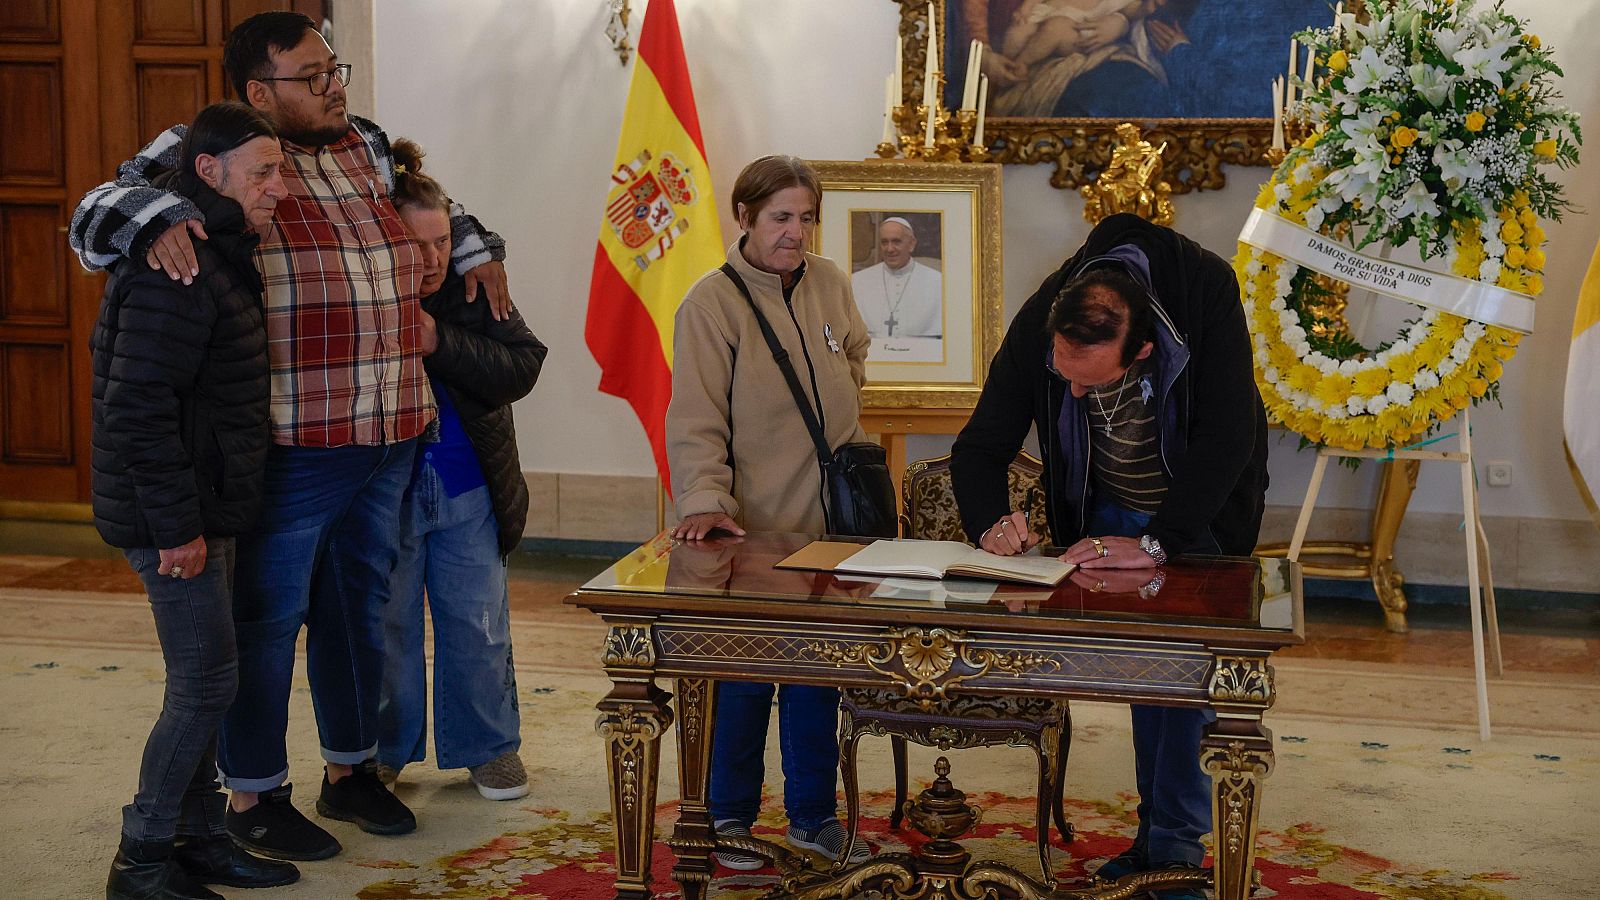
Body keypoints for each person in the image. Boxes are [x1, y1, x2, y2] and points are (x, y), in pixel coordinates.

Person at [68, 11, 514, 861]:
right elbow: (94, 213)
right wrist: (154, 217)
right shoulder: (207, 145)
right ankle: (253, 794)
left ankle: (352, 771)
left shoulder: (368, 144)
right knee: (268, 622)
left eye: (333, 68)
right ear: (257, 91)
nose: (333, 85)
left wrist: (471, 249)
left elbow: (437, 207)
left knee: (361, 612)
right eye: (310, 77)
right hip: (292, 438)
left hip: (386, 424)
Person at [950, 213, 1268, 900]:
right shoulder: (1052, 308)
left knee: (1182, 681)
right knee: (1145, 681)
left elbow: (1228, 437)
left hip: (1195, 512)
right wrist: (988, 526)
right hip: (1103, 507)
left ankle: (1175, 852)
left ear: (1143, 351)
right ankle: (1156, 839)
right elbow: (980, 445)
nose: (1073, 396)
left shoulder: (1207, 290)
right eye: (1063, 377)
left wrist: (1160, 542)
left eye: (1090, 384)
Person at [92, 101, 297, 900]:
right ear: (207, 171)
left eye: (282, 168)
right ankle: (141, 861)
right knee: (205, 682)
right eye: (265, 171)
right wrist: (177, 528)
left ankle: (202, 840)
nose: (281, 186)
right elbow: (137, 407)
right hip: (170, 513)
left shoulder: (218, 248)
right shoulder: (174, 264)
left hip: (209, 499)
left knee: (214, 673)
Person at [665, 155, 873, 870]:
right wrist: (703, 501)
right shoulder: (710, 303)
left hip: (830, 531)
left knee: (818, 678)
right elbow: (694, 421)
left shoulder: (832, 284)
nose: (797, 233)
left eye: (807, 217)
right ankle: (728, 818)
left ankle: (813, 818)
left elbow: (855, 357)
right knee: (747, 679)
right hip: (751, 534)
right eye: (782, 217)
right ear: (745, 217)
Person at [377, 139, 547, 801]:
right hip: (384, 493)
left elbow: (523, 365)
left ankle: (488, 749)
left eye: (443, 241)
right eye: (414, 244)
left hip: (468, 486)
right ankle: (381, 753)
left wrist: (439, 341)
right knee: (386, 629)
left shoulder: (476, 287)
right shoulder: (363, 291)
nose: (430, 259)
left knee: (478, 624)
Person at [851, 216, 944, 339]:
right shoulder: (858, 281)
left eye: (896, 241)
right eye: (884, 242)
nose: (890, 249)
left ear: (911, 244)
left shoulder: (937, 282)